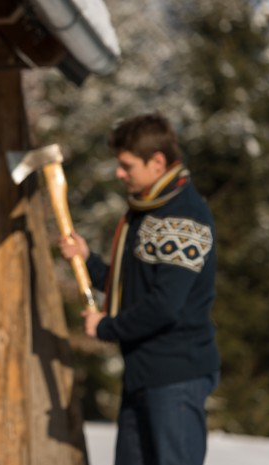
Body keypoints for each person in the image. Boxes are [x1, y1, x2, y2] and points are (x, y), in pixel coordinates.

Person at [60, 112, 220, 465]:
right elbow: (131, 287)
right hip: (144, 373)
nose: (120, 173)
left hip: (175, 376)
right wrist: (88, 260)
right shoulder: (149, 211)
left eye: (127, 165)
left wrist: (106, 327)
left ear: (157, 162)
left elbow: (165, 306)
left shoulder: (182, 218)